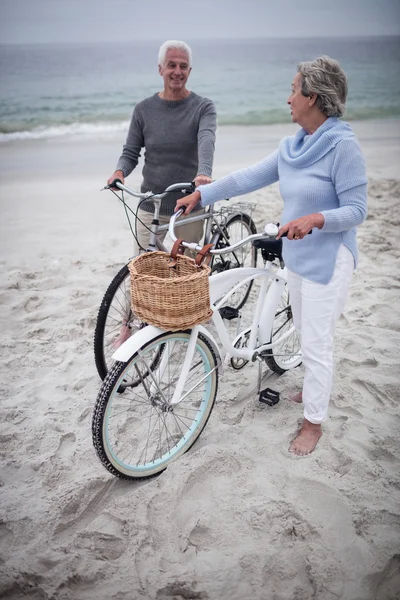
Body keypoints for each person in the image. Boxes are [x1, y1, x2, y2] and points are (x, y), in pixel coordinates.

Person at [175, 56, 368, 457]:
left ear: (313, 97)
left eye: (293, 89)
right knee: (306, 329)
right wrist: (202, 195)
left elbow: (357, 211)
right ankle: (312, 389)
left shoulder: (343, 147)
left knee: (317, 343)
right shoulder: (293, 146)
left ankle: (314, 423)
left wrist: (316, 218)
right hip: (297, 254)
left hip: (330, 258)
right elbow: (248, 176)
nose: (288, 98)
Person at [107, 40, 217, 253]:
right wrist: (119, 172)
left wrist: (204, 172)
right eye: (171, 65)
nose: (177, 71)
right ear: (160, 69)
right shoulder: (143, 110)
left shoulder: (203, 107)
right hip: (152, 204)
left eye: (183, 66)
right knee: (143, 265)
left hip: (189, 206)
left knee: (188, 273)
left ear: (190, 71)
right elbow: (130, 152)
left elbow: (206, 139)